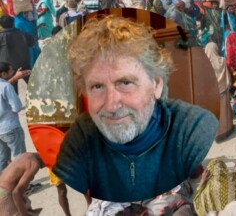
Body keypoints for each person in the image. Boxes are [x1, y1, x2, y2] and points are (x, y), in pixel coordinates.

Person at [53, 15, 217, 202]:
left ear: (156, 85)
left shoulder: (192, 127)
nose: (112, 105)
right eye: (97, 87)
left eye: (125, 82)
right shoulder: (81, 136)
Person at [0, 62, 28, 171]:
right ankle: (23, 185)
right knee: (19, 157)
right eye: (11, 71)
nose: (14, 72)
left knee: (2, 158)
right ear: (3, 74)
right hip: (11, 127)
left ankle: (3, 184)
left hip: (1, 130)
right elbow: (16, 107)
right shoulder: (6, 86)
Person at [204, 42, 234, 142]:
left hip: (211, 94)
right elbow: (227, 76)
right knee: (224, 111)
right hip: (222, 91)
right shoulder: (222, 61)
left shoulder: (203, 64)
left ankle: (216, 134)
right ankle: (227, 130)